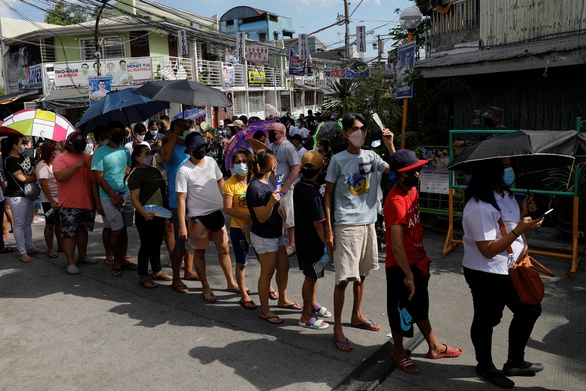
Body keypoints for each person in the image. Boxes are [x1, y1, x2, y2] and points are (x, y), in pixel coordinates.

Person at [462, 157, 543, 389]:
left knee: (530, 309)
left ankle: (514, 361)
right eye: (504, 166)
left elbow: (508, 225)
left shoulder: (506, 195)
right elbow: (487, 250)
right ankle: (485, 365)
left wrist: (525, 213)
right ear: (491, 170)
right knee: (487, 319)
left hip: (511, 268)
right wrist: (519, 229)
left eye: (510, 166)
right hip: (485, 272)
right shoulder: (478, 206)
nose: (509, 170)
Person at [385, 149, 462, 374]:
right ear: (399, 175)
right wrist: (408, 275)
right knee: (401, 311)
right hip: (401, 266)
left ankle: (434, 346)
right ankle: (398, 351)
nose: (417, 174)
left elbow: (400, 164)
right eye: (411, 172)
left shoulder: (411, 190)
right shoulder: (396, 201)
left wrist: (392, 148)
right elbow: (397, 246)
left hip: (418, 261)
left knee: (420, 307)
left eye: (417, 169)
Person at [324, 113, 395, 353]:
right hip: (346, 224)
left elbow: (396, 174)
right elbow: (327, 196)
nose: (360, 133)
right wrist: (329, 229)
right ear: (345, 133)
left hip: (368, 223)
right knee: (344, 278)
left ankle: (357, 315)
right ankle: (337, 328)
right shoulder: (337, 160)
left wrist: (390, 145)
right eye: (355, 129)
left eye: (363, 129)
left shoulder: (372, 156)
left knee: (362, 274)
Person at [176, 132, 238, 301]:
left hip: (217, 214)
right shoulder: (183, 171)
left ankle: (231, 283)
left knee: (224, 249)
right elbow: (181, 200)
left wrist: (230, 203)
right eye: (197, 147)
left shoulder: (211, 162)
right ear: (189, 150)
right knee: (200, 252)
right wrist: (182, 225)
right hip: (197, 217)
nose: (201, 150)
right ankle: (206, 287)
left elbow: (221, 183)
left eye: (203, 146)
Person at [247, 150, 300, 324]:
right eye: (275, 161)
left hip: (276, 234)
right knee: (267, 272)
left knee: (283, 266)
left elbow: (272, 202)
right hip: (264, 236)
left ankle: (282, 299)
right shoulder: (255, 187)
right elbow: (261, 217)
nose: (277, 164)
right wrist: (271, 203)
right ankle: (265, 310)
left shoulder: (268, 183)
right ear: (270, 164)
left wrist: (277, 205)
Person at [91, 121, 136, 277]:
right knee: (116, 230)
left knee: (124, 230)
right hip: (108, 197)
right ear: (109, 134)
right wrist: (113, 196)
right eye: (115, 131)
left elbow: (129, 168)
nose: (118, 133)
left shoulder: (125, 151)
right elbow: (99, 178)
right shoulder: (100, 152)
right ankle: (116, 261)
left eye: (121, 131)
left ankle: (123, 259)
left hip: (125, 194)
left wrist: (125, 180)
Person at [160, 119, 199, 293]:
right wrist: (174, 135)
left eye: (188, 128)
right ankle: (176, 277)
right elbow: (165, 158)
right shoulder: (171, 145)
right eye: (183, 128)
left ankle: (189, 270)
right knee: (181, 240)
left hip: (196, 201)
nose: (187, 131)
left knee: (192, 238)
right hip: (178, 202)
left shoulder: (192, 147)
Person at [293, 150, 331, 330]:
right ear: (320, 170)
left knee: (314, 276)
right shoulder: (313, 194)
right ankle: (305, 314)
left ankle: (313, 303)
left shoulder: (301, 186)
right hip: (313, 243)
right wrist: (328, 243)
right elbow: (318, 224)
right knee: (310, 277)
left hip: (303, 240)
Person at [128, 144, 172, 289]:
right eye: (146, 154)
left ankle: (156, 270)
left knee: (157, 243)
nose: (150, 156)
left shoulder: (155, 171)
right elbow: (134, 197)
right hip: (145, 215)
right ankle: (142, 275)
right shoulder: (136, 174)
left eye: (150, 153)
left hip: (159, 213)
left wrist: (167, 212)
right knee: (146, 245)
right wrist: (143, 213)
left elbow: (162, 192)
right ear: (137, 158)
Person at [53, 132, 98, 275]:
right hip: (69, 204)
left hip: (87, 202)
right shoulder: (61, 158)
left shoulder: (89, 157)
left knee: (83, 231)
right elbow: (59, 176)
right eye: (78, 140)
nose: (81, 142)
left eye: (82, 140)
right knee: (69, 234)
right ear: (71, 142)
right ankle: (70, 262)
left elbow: (93, 181)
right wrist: (76, 166)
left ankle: (83, 255)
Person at [1, 135, 45, 262]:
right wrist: (36, 177)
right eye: (22, 143)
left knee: (27, 223)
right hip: (16, 195)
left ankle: (30, 247)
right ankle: (22, 252)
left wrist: (36, 163)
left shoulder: (26, 157)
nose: (23, 146)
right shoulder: (9, 160)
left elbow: (34, 170)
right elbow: (22, 178)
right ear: (15, 146)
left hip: (29, 193)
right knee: (19, 224)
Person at [223, 149, 256, 309]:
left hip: (258, 227)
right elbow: (227, 208)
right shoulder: (230, 183)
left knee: (265, 261)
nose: (241, 165)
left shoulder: (255, 180)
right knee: (241, 263)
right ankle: (244, 294)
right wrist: (247, 217)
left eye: (244, 161)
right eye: (237, 162)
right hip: (239, 228)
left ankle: (268, 287)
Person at [268, 122, 299, 256]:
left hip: (284, 188)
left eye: (273, 131)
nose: (270, 133)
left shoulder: (288, 147)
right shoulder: (271, 146)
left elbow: (296, 167)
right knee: (276, 216)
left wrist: (286, 185)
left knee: (288, 216)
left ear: (281, 133)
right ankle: (279, 243)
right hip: (273, 187)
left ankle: (292, 244)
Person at [36, 140, 63, 258]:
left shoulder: (55, 163)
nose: (57, 151)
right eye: (55, 149)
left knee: (59, 223)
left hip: (59, 197)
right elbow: (44, 185)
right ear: (50, 151)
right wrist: (52, 201)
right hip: (48, 200)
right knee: (50, 224)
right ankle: (50, 248)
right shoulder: (42, 165)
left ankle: (61, 245)